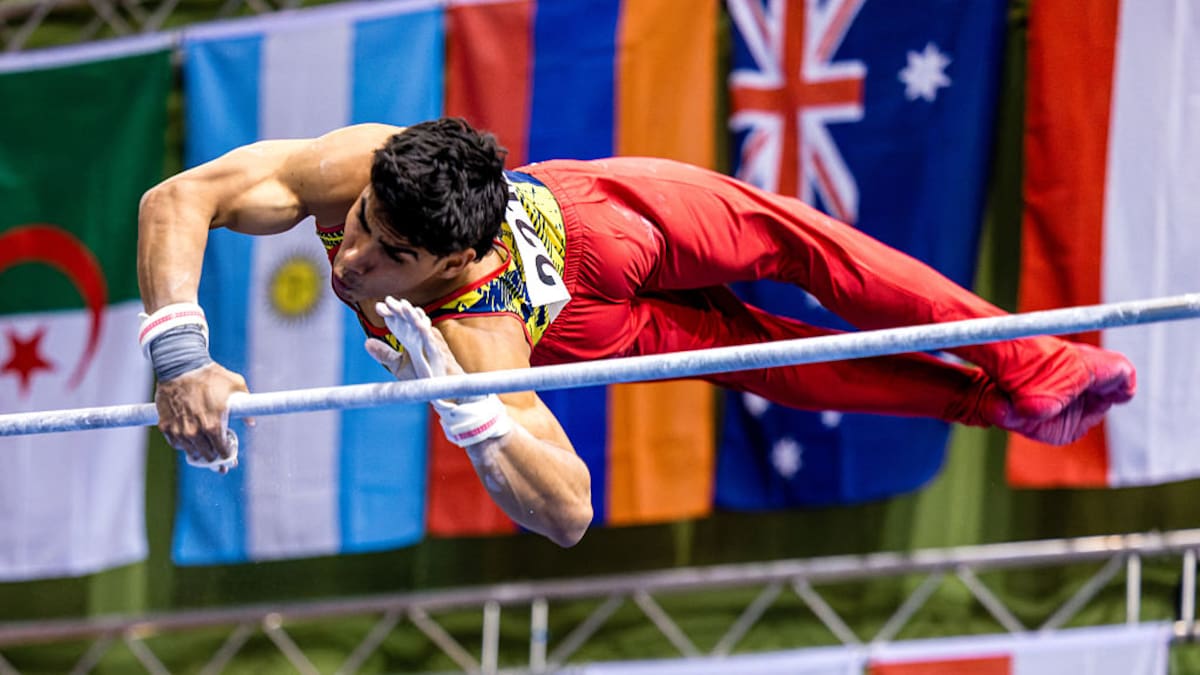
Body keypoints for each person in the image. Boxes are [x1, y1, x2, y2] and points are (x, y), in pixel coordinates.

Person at [137, 118, 1135, 547]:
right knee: (775, 365)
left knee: (809, 249)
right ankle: (991, 401)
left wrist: (468, 409)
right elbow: (180, 197)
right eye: (359, 230)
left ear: (450, 264)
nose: (352, 261)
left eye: (389, 256)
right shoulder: (365, 167)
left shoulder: (476, 326)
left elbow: (567, 510)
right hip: (583, 329)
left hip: (607, 218)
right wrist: (179, 357)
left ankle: (1031, 357)